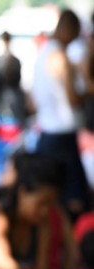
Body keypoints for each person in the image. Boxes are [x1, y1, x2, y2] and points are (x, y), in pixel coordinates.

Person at [31, 9, 90, 221]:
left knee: (57, 199)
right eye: (74, 35)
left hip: (49, 134)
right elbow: (74, 98)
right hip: (61, 137)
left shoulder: (43, 53)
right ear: (68, 29)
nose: (74, 40)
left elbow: (32, 101)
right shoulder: (58, 56)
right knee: (74, 199)